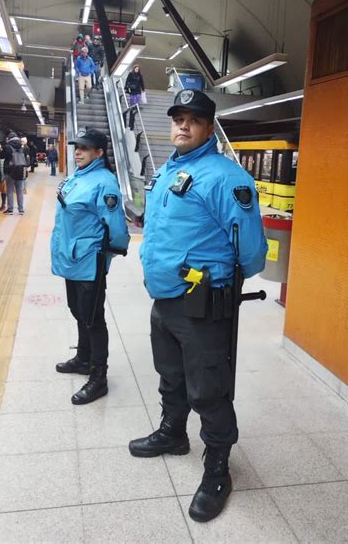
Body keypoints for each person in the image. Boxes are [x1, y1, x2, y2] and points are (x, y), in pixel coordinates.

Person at [128, 90, 267, 523]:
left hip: (203, 305)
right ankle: (173, 434)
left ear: (209, 127)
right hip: (165, 298)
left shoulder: (227, 178)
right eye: (177, 118)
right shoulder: (169, 169)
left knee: (208, 387)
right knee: (170, 375)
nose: (183, 126)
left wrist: (220, 278)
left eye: (194, 119)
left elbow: (253, 253)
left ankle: (218, 469)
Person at [51, 128, 129, 404]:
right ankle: (84, 358)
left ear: (99, 152)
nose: (78, 152)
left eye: (84, 148)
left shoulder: (104, 182)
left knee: (93, 318)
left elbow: (117, 228)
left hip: (89, 261)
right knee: (77, 309)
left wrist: (110, 252)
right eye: (76, 147)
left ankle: (99, 377)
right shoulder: (77, 176)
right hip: (72, 258)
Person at [0, 132, 26, 215]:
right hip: (20, 170)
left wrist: (1, 149)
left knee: (10, 191)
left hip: (10, 171)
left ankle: (10, 209)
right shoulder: (22, 147)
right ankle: (21, 209)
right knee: (19, 191)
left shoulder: (7, 147)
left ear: (9, 138)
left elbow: (1, 156)